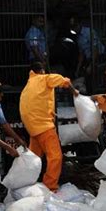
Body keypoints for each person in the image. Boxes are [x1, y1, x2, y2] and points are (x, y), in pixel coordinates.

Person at [19, 62, 78, 191]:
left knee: (34, 159)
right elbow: (65, 81)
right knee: (55, 157)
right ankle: (50, 186)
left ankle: (27, 183)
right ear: (42, 71)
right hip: (44, 126)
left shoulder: (28, 85)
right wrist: (75, 92)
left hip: (32, 128)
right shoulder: (44, 78)